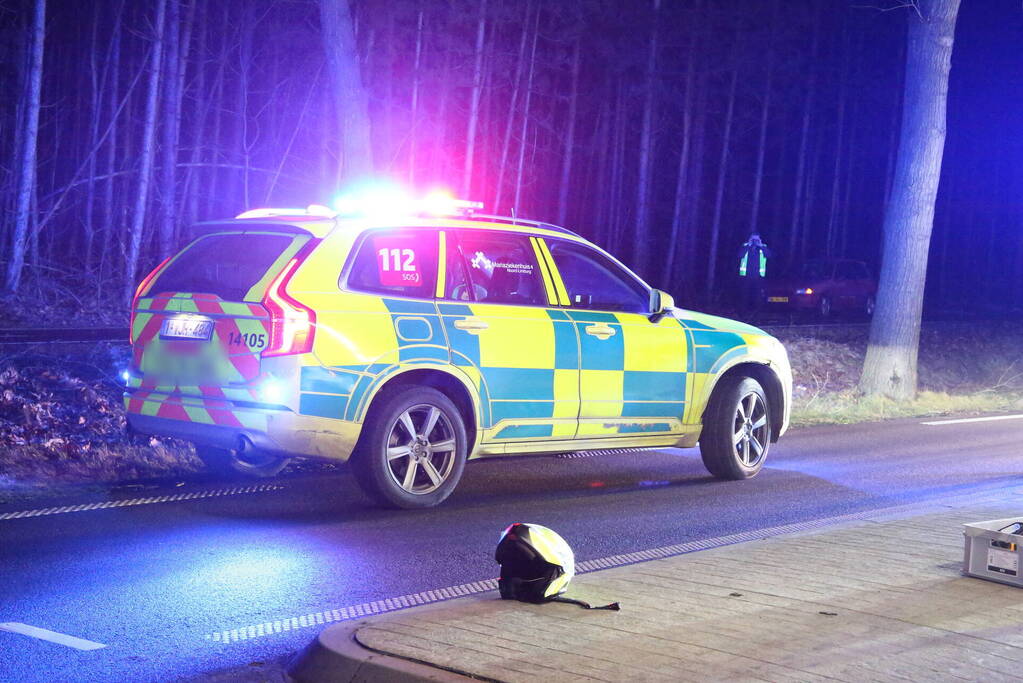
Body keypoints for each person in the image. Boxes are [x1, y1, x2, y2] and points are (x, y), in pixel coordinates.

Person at [738, 232, 772, 311]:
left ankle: (757, 311)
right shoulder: (745, 246)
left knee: (758, 295)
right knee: (744, 295)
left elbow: (769, 255)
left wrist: (761, 246)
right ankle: (743, 311)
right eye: (753, 239)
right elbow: (740, 255)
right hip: (746, 275)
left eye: (756, 239)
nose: (754, 241)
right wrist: (748, 245)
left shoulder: (763, 247)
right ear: (749, 239)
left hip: (758, 275)